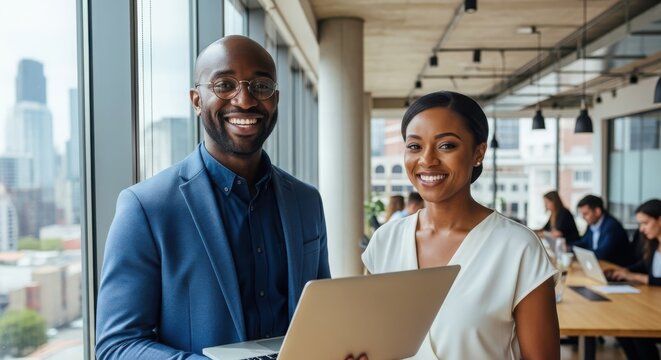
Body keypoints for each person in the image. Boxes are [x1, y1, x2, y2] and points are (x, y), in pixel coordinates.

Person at [95, 35, 331, 359]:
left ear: (275, 98)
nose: (245, 100)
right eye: (225, 85)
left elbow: (318, 319)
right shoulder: (146, 208)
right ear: (196, 100)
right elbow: (117, 347)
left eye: (261, 86)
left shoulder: (307, 202)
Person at [362, 91, 560, 359]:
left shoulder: (517, 247)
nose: (427, 159)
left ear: (478, 152)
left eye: (446, 146)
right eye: (414, 146)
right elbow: (372, 341)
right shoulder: (385, 241)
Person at [605, 199, 661, 360]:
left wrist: (636, 277)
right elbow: (644, 264)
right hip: (653, 305)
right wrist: (626, 271)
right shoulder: (653, 244)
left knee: (637, 332)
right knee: (622, 329)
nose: (641, 229)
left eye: (645, 223)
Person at [573, 195, 637, 267]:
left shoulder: (612, 226)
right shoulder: (592, 224)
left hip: (615, 269)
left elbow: (603, 253)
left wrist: (579, 252)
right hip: (599, 265)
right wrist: (570, 247)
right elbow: (584, 242)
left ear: (597, 211)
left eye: (586, 214)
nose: (583, 217)